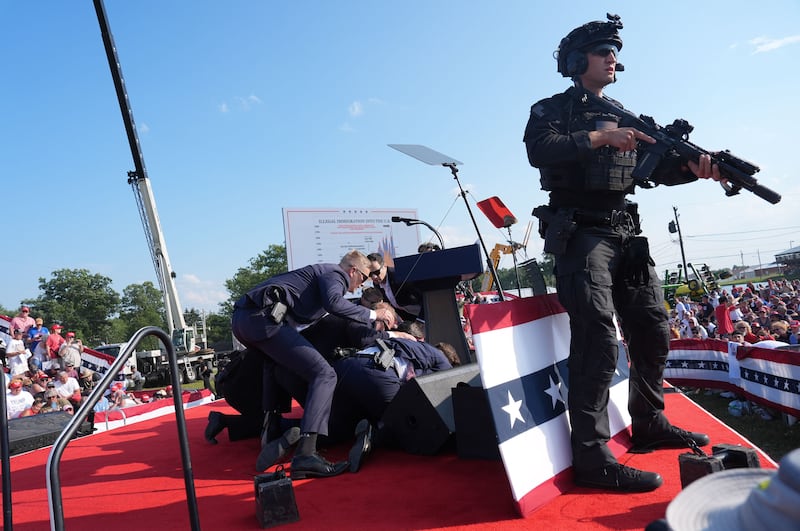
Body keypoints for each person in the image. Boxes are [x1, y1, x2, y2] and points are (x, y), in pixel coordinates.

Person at [523, 14, 712, 492]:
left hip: (627, 231)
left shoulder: (627, 113)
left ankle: (649, 422)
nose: (613, 57)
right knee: (597, 338)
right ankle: (591, 458)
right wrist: (600, 136)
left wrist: (698, 169)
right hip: (582, 233)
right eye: (603, 50)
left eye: (615, 50)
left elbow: (657, 171)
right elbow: (541, 151)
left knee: (652, 329)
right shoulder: (552, 110)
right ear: (575, 60)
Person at [231, 249, 397, 478]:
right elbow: (334, 303)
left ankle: (270, 429)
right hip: (264, 318)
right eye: (364, 278)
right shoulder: (334, 273)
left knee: (273, 365)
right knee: (325, 375)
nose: (361, 286)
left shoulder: (319, 275)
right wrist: (373, 315)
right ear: (353, 271)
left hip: (245, 320)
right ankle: (306, 454)